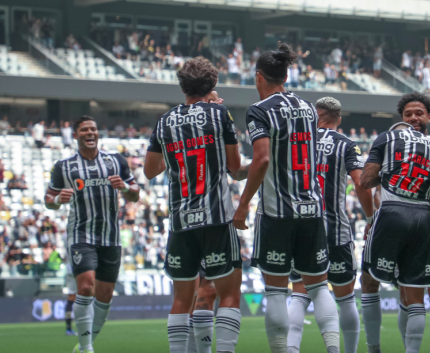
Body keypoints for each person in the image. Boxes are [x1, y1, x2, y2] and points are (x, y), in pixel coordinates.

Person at [232, 43, 340, 353]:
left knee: (276, 291)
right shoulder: (307, 108)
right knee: (319, 286)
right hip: (311, 209)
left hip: (277, 214)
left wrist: (242, 203)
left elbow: (264, 158)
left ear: (258, 77)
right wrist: (245, 170)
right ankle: (333, 348)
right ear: (287, 75)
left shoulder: (259, 110)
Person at [143, 57, 242, 353]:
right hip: (216, 220)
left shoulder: (164, 121)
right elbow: (235, 168)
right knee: (229, 294)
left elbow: (150, 170)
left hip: (181, 221)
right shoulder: (219, 114)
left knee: (182, 299)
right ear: (212, 85)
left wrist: (180, 156)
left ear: (182, 86)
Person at [285, 97, 374, 353]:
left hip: (301, 229)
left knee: (300, 293)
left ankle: (291, 349)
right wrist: (370, 218)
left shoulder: (297, 142)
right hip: (335, 230)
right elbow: (360, 183)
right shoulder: (345, 144)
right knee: (345, 298)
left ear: (316, 114)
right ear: (339, 119)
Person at [45, 115, 140, 353]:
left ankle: (84, 345)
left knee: (105, 297)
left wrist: (125, 187)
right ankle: (87, 348)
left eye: (94, 129)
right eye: (85, 129)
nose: (90, 133)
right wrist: (57, 199)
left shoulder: (115, 160)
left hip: (111, 237)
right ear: (75, 135)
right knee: (85, 287)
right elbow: (48, 199)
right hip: (81, 235)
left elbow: (135, 193)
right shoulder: (63, 167)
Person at [360, 97, 430, 353]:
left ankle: (374, 348)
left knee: (369, 281)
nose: (413, 118)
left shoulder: (386, 138)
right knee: (415, 294)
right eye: (408, 114)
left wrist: (392, 172)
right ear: (403, 118)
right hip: (424, 218)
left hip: (392, 215)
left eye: (418, 113)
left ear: (429, 116)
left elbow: (365, 181)